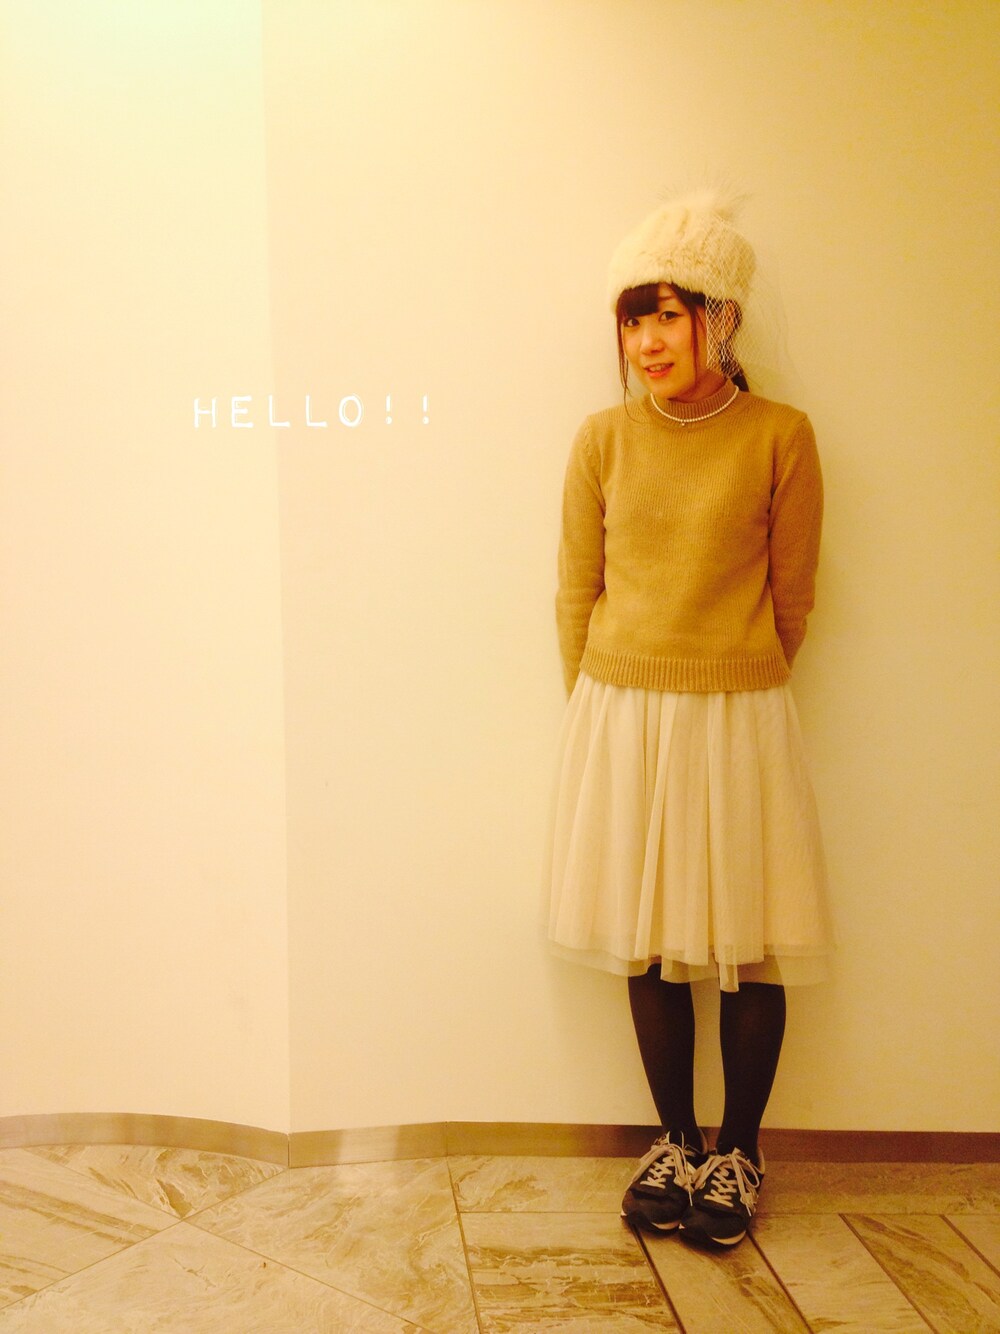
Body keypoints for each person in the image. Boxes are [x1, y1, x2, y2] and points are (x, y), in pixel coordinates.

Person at [545, 190, 834, 1248]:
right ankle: (672, 1140)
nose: (648, 342)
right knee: (651, 941)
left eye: (668, 314)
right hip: (621, 710)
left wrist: (735, 673)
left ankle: (738, 1150)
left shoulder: (781, 436)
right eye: (633, 320)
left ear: (723, 317)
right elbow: (576, 590)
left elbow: (794, 596)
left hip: (738, 712)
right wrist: (601, 701)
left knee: (749, 943)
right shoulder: (601, 439)